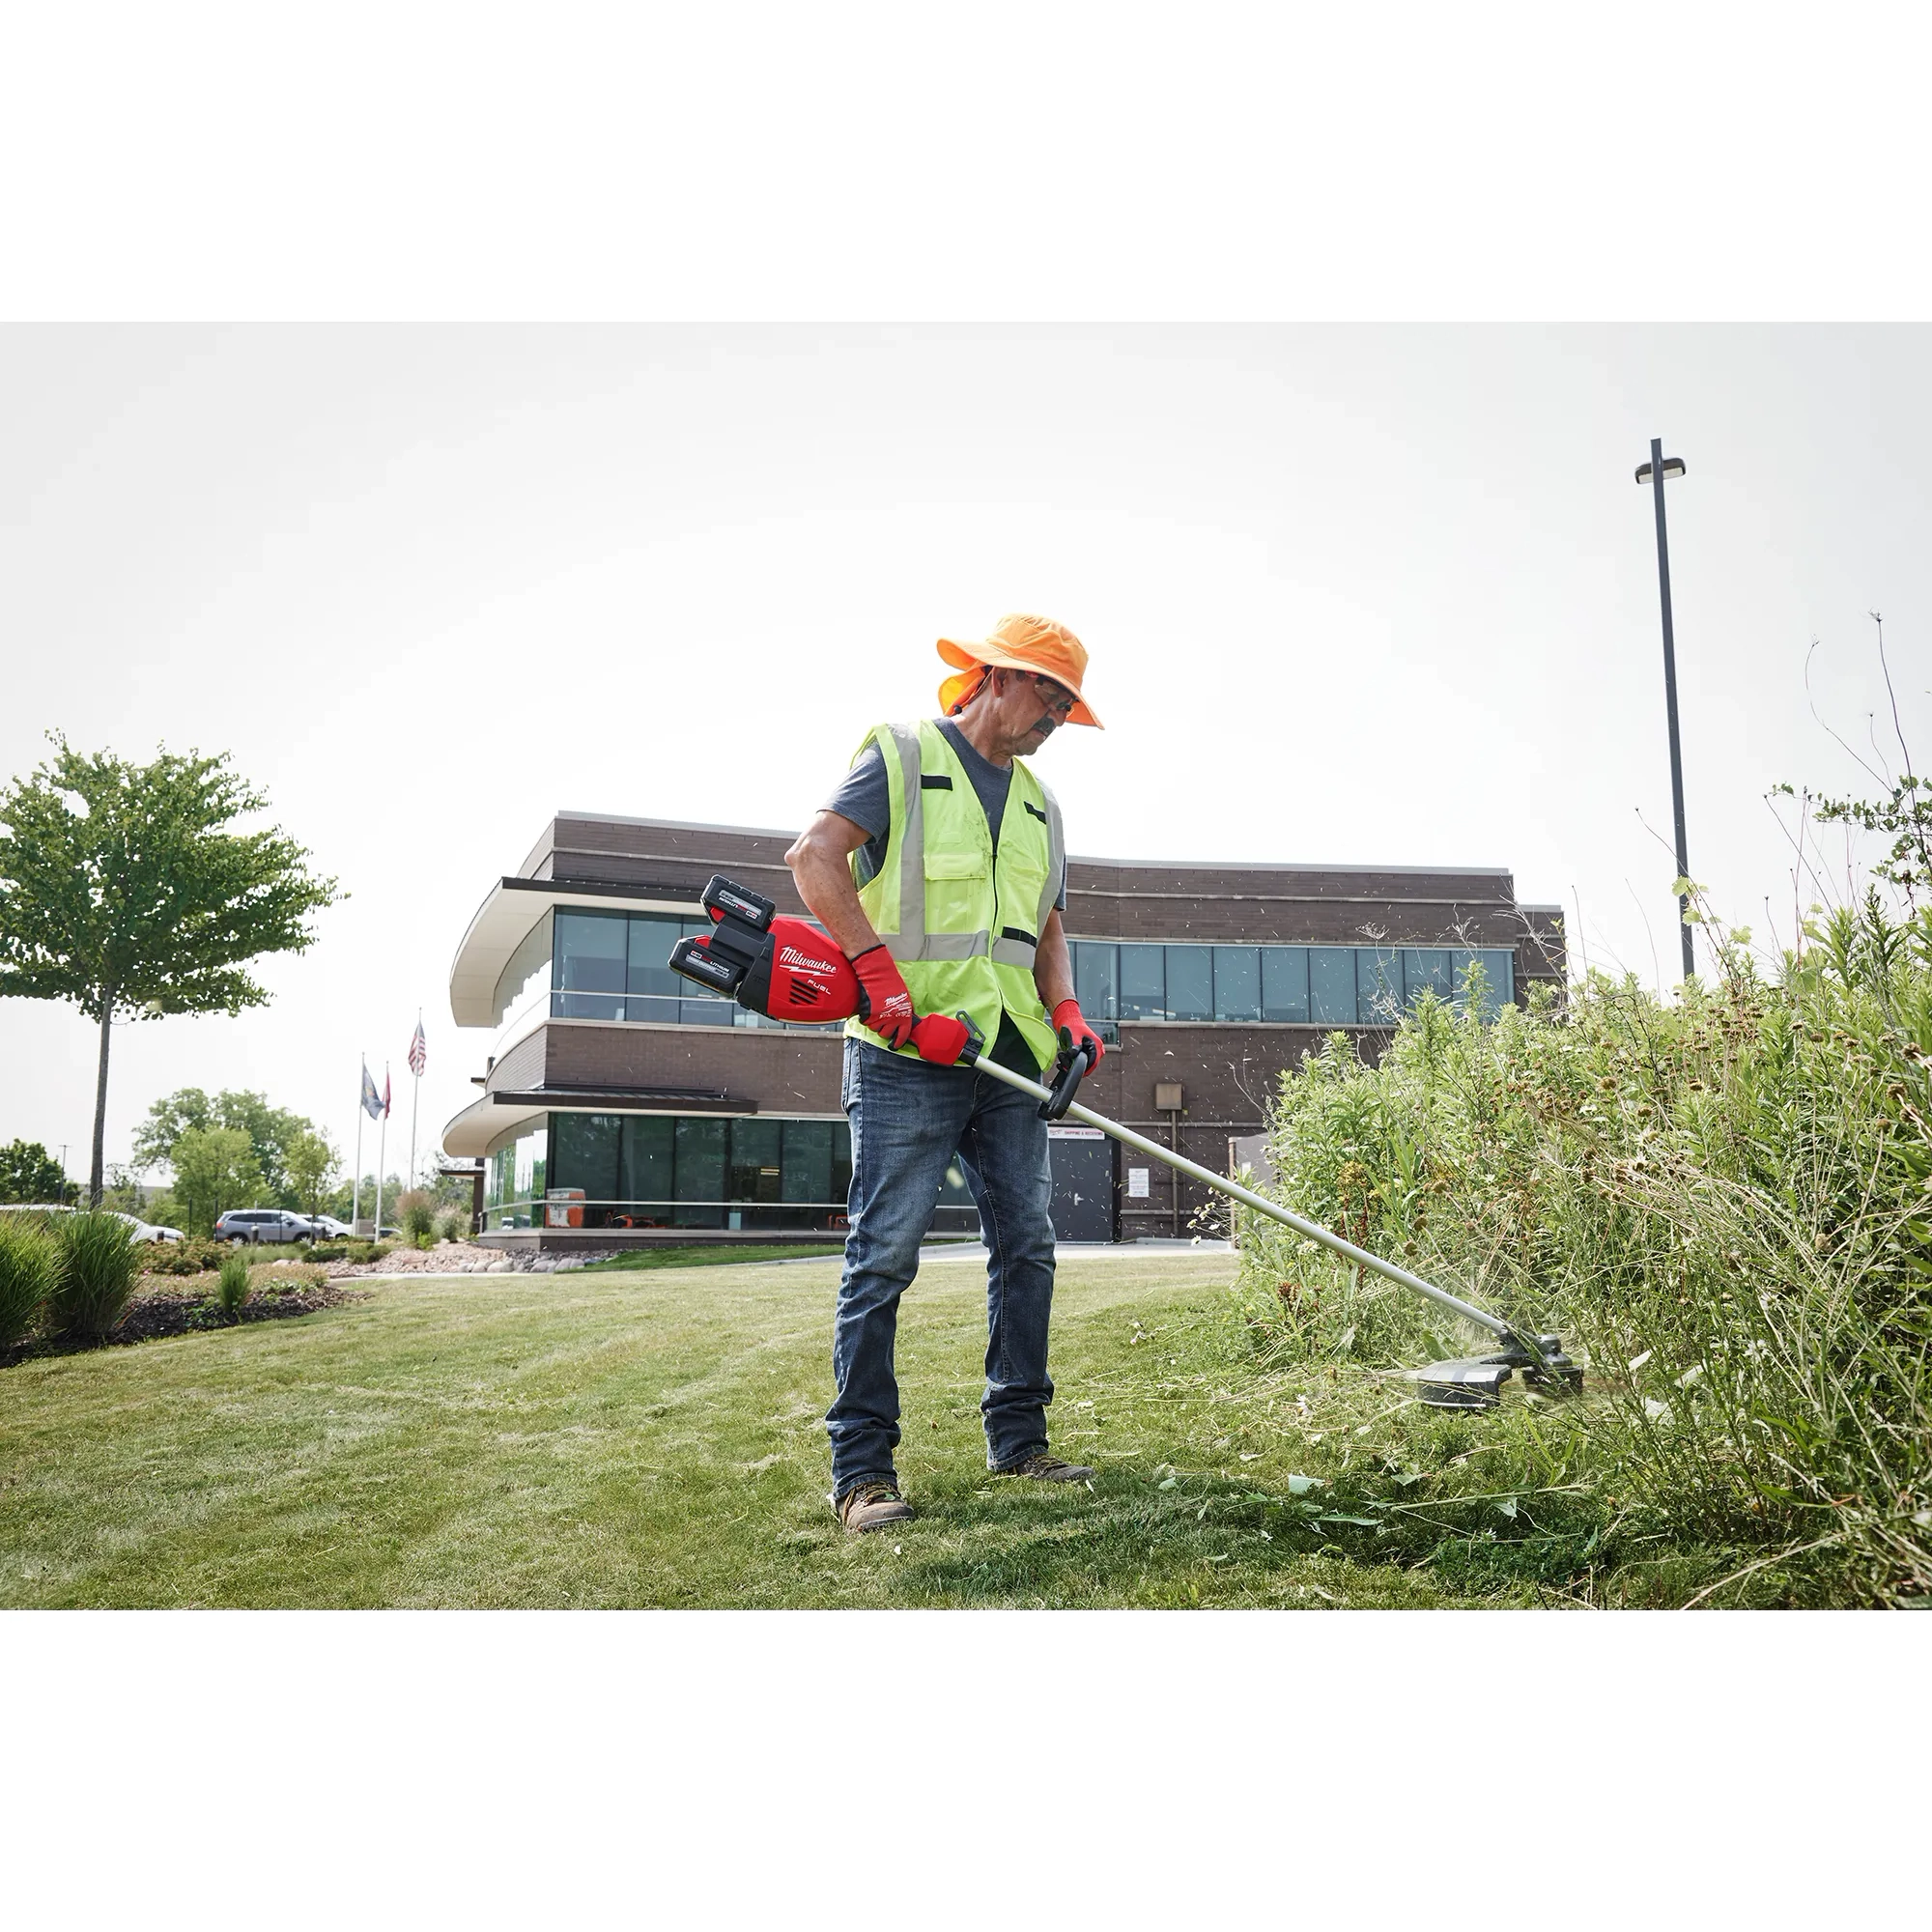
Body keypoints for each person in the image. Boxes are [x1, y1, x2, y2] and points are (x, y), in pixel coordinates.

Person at [784, 613, 1112, 1533]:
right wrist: (877, 975)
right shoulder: (900, 756)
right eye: (1049, 695)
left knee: (1028, 1247)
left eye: (1068, 707)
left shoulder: (1043, 806)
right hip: (904, 1054)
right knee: (884, 1254)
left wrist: (1066, 1012)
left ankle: (1020, 1440)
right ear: (997, 677)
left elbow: (1046, 926)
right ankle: (862, 1472)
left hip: (1008, 1057)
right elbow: (813, 857)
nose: (1057, 718)